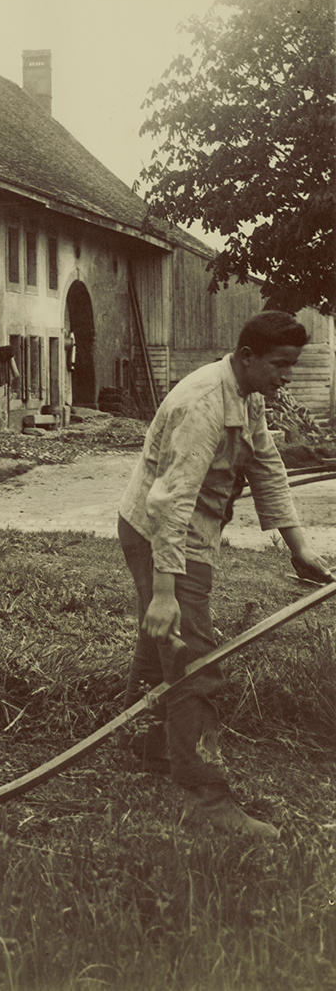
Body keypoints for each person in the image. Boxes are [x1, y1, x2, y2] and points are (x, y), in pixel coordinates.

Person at [117, 311, 331, 839]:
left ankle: (147, 743)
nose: (286, 375)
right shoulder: (204, 404)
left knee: (164, 642)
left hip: (186, 530)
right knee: (192, 658)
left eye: (293, 365)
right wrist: (165, 591)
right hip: (162, 532)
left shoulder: (248, 394)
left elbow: (267, 466)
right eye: (280, 364)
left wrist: (299, 547)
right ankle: (204, 798)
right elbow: (172, 502)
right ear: (247, 356)